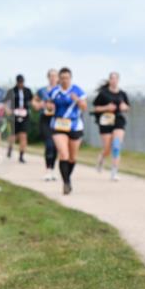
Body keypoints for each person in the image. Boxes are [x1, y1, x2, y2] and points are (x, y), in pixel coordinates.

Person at [46, 67, 88, 195]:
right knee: (64, 155)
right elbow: (49, 107)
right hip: (58, 126)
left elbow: (84, 107)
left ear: (71, 78)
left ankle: (67, 177)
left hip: (75, 126)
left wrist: (78, 100)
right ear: (59, 78)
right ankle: (66, 183)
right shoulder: (54, 91)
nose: (64, 80)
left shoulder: (77, 90)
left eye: (67, 78)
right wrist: (49, 107)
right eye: (62, 78)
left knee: (72, 157)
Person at [92, 72, 131, 181]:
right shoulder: (103, 94)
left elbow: (128, 107)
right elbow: (95, 108)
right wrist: (106, 107)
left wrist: (125, 107)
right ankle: (101, 158)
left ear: (118, 80)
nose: (114, 80)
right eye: (112, 78)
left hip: (118, 120)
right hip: (105, 121)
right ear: (109, 80)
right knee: (107, 148)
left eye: (116, 78)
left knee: (116, 146)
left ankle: (114, 172)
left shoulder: (122, 94)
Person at [32, 69, 60, 181]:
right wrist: (40, 105)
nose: (53, 78)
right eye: (51, 76)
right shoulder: (42, 91)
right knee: (49, 144)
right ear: (48, 77)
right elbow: (34, 102)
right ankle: (48, 170)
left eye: (55, 76)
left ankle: (53, 169)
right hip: (46, 120)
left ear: (58, 78)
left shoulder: (60, 91)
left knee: (56, 146)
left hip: (58, 120)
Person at [5, 75, 34, 164]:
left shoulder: (28, 91)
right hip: (14, 115)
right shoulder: (12, 91)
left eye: (22, 82)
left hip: (25, 115)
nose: (21, 84)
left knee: (23, 136)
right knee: (13, 135)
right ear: (17, 82)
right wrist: (8, 110)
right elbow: (6, 102)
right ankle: (10, 147)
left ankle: (21, 156)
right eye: (19, 82)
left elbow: (32, 101)